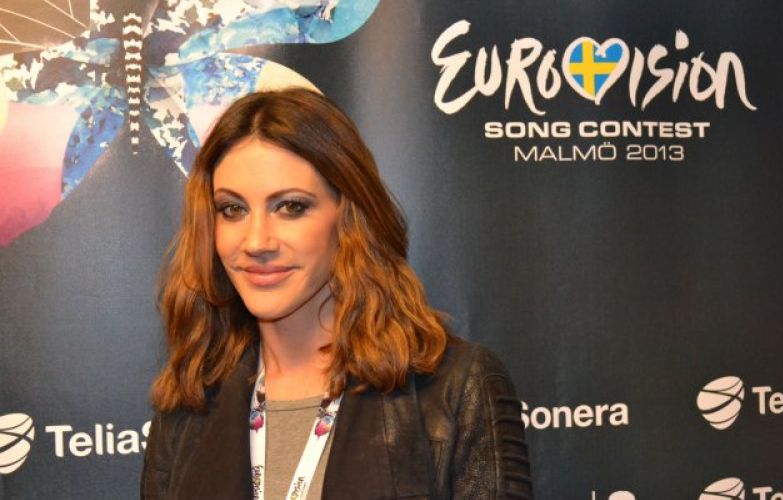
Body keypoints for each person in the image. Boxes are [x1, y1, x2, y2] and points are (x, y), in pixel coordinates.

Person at [140, 88, 532, 499]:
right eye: (232, 209)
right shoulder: (188, 405)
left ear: (349, 216)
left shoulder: (456, 388)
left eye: (290, 207)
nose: (256, 242)